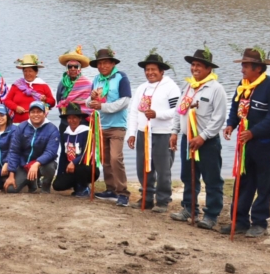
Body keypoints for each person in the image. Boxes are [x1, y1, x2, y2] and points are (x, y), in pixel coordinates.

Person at [221, 47, 270, 236]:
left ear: (258, 68)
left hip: (265, 144)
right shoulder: (243, 84)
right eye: (243, 65)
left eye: (246, 66)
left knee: (265, 185)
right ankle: (239, 221)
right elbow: (236, 107)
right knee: (244, 181)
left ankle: (259, 222)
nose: (242, 70)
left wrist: (253, 132)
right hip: (245, 145)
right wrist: (231, 124)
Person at [170, 48, 227, 229]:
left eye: (199, 66)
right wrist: (174, 131)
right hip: (187, 139)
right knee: (188, 176)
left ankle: (211, 214)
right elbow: (179, 111)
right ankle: (189, 208)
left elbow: (219, 118)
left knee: (212, 179)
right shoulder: (188, 87)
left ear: (209, 69)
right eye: (193, 65)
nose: (195, 69)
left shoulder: (216, 89)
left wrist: (203, 136)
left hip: (207, 141)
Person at [126, 51, 181, 212]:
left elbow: (177, 111)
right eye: (147, 69)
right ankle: (147, 197)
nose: (150, 73)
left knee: (163, 168)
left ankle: (163, 200)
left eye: (153, 69)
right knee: (143, 167)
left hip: (163, 133)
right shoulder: (141, 88)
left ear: (161, 71)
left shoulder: (171, 87)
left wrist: (158, 114)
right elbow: (134, 112)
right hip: (143, 133)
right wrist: (131, 133)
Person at [87, 48, 133, 207]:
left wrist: (103, 106)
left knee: (115, 158)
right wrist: (91, 100)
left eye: (106, 62)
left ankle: (123, 193)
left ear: (113, 63)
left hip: (117, 125)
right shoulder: (96, 79)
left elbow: (125, 101)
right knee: (105, 159)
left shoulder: (121, 78)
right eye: (100, 63)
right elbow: (88, 102)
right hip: (101, 125)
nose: (102, 66)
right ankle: (110, 189)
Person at [4, 101, 59, 194]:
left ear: (44, 113)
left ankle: (45, 186)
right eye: (33, 112)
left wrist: (37, 163)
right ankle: (31, 182)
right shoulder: (21, 127)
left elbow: (51, 152)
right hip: (24, 164)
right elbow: (14, 151)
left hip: (42, 164)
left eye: (39, 112)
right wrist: (11, 175)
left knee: (50, 166)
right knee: (10, 189)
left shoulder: (52, 129)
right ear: (29, 114)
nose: (35, 114)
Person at [52, 103, 95, 196]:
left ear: (80, 119)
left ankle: (84, 187)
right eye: (69, 118)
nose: (72, 120)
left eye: (75, 117)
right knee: (57, 185)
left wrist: (73, 162)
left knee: (80, 169)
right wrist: (60, 174)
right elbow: (63, 155)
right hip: (71, 168)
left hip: (87, 167)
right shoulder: (65, 134)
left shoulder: (87, 132)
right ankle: (77, 185)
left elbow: (87, 152)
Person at [4, 54, 54, 124]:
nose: (27, 73)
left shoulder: (43, 85)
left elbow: (52, 102)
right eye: (25, 71)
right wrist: (16, 107)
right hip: (18, 123)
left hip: (38, 123)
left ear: (36, 72)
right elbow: (7, 100)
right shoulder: (17, 85)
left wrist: (45, 100)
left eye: (30, 71)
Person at [55, 46, 93, 133]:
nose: (73, 69)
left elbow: (91, 105)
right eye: (70, 66)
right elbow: (59, 101)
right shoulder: (62, 84)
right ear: (67, 68)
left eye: (76, 66)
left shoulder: (87, 84)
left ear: (79, 68)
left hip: (83, 123)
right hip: (65, 121)